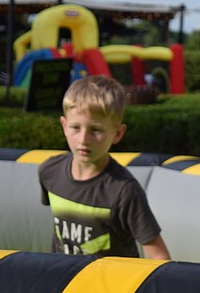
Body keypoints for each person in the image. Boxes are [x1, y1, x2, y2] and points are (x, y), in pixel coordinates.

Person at [38, 75, 171, 259]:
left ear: (117, 133)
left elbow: (159, 256)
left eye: (96, 130)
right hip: (66, 284)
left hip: (114, 287)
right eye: (76, 127)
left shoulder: (124, 191)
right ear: (64, 126)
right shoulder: (49, 172)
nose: (83, 140)